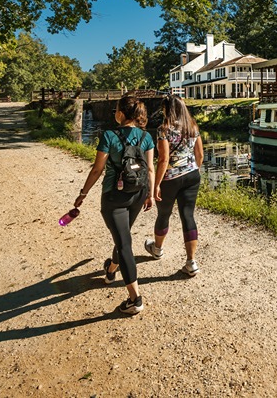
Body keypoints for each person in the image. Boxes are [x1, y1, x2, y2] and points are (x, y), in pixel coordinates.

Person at [74, 94, 155, 315]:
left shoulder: (109, 135)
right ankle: (111, 270)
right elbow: (149, 169)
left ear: (121, 113)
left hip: (114, 196)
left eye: (116, 110)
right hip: (138, 194)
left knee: (124, 243)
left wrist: (83, 193)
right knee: (124, 235)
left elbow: (97, 169)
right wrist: (150, 193)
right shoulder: (146, 137)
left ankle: (135, 299)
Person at [145, 95, 204, 276]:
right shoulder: (192, 127)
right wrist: (193, 171)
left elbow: (163, 159)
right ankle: (191, 262)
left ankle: (157, 249)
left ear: (167, 110)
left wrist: (156, 184)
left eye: (163, 109)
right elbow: (200, 155)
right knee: (188, 215)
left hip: (170, 178)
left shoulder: (164, 129)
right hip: (192, 175)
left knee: (164, 214)